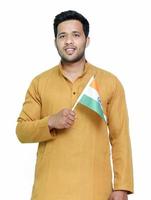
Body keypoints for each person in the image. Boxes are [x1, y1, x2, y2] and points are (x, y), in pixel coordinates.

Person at [16, 10, 134, 200]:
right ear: (55, 41)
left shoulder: (109, 82)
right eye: (62, 36)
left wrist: (122, 187)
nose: (69, 41)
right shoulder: (39, 82)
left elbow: (120, 138)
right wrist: (50, 122)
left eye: (76, 35)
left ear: (87, 40)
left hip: (95, 191)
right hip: (49, 191)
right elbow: (21, 131)